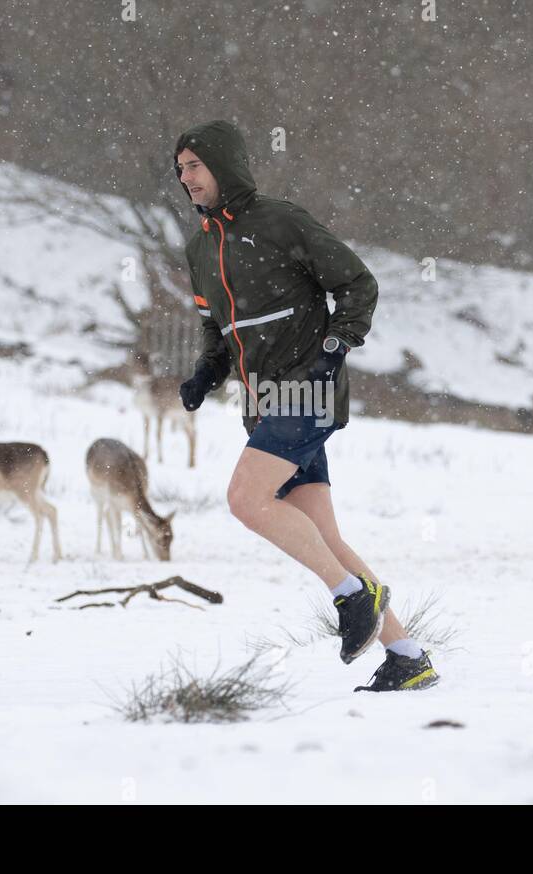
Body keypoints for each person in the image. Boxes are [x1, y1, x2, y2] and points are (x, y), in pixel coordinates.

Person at [173, 119, 439, 692]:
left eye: (194, 165)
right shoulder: (199, 249)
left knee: (245, 499)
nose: (185, 177)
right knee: (325, 538)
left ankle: (350, 595)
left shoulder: (280, 221)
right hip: (264, 402)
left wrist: (334, 347)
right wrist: (205, 372)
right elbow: (216, 331)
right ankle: (407, 655)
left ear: (223, 165)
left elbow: (357, 284)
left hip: (309, 389)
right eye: (180, 168)